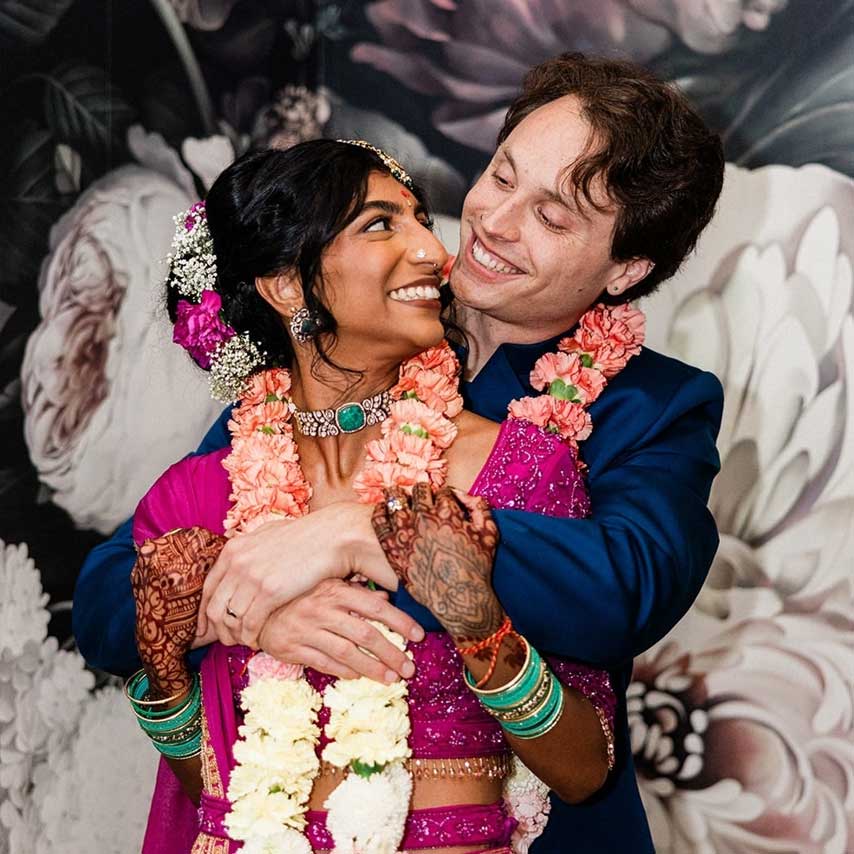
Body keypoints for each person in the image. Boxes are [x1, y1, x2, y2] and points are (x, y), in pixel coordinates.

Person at [74, 53, 725, 852]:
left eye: (552, 218)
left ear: (626, 267)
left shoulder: (656, 404)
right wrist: (254, 608)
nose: (494, 221)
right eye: (501, 176)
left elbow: (624, 588)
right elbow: (119, 594)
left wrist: (361, 534)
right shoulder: (360, 329)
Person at [130, 139, 619, 853]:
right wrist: (167, 675)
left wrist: (483, 630)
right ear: (287, 287)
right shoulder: (196, 499)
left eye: (422, 220)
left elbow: (585, 772)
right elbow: (207, 789)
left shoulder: (515, 467)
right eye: (381, 224)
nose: (434, 252)